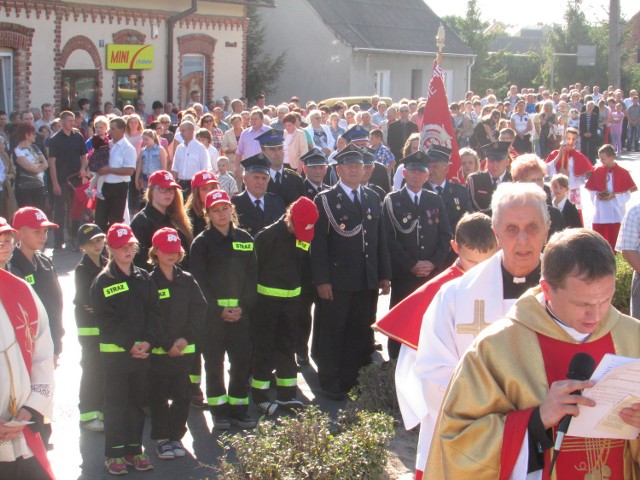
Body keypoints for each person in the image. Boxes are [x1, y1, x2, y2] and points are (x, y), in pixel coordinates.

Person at [427, 229, 640, 478]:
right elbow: (457, 441)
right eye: (583, 304)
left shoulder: (632, 336)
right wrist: (537, 420)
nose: (595, 316)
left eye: (606, 300)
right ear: (547, 290)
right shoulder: (497, 347)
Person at [415, 182, 550, 470]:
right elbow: (433, 372)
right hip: (478, 449)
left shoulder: (570, 296)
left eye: (533, 228)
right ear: (496, 233)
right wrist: (509, 422)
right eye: (512, 229)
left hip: (553, 446)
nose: (523, 240)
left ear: (547, 230)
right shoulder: (454, 296)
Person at [373, 212, 497, 480]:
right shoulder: (440, 290)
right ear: (455, 247)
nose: (478, 271)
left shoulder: (504, 283)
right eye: (471, 261)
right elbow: (412, 360)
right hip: (446, 395)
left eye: (485, 263)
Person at [311, 144, 391, 400]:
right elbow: (319, 245)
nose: (355, 170)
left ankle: (353, 378)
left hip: (365, 278)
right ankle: (330, 381)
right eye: (349, 166)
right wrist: (322, 280)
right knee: (333, 332)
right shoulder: (325, 199)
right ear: (338, 170)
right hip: (338, 280)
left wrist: (384, 274)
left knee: (359, 331)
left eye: (359, 166)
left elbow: (379, 238)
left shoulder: (371, 197)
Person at [90, 223, 162, 475]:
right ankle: (114, 453)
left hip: (142, 354)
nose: (127, 250)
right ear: (110, 249)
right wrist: (130, 344)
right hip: (116, 356)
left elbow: (155, 312)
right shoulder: (103, 282)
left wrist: (148, 342)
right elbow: (106, 320)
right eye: (121, 247)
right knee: (116, 404)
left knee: (136, 403)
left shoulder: (144, 277)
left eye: (130, 245)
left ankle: (135, 450)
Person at [190, 189, 258, 429]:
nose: (221, 214)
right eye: (215, 210)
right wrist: (218, 310)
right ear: (208, 214)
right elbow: (198, 283)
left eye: (225, 209)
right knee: (214, 364)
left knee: (240, 363)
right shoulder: (201, 244)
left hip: (241, 316)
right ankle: (219, 412)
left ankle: (239, 410)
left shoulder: (245, 240)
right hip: (212, 319)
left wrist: (243, 307)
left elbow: (252, 278)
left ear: (232, 210)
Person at [382, 150, 452, 359]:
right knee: (400, 319)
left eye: (421, 172)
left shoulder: (434, 200)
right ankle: (395, 362)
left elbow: (445, 234)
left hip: (430, 274)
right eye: (412, 171)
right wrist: (411, 264)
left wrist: (433, 263)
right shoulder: (393, 200)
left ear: (427, 175)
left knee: (428, 320)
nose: (416, 176)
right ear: (404, 173)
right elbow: (389, 239)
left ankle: (425, 359)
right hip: (405, 274)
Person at [251, 196, 319, 414]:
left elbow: (304, 266)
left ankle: (286, 395)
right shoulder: (267, 237)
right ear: (289, 216)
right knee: (264, 349)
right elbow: (252, 271)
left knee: (287, 347)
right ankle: (260, 397)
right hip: (266, 304)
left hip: (292, 303)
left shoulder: (303, 234)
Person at [0, 217, 56, 480]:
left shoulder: (21, 290)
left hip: (21, 427)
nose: (3, 244)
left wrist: (31, 408)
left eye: (6, 238)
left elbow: (42, 354)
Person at [147, 227, 205, 460]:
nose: (172, 255)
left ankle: (176, 436)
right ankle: (162, 439)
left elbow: (199, 310)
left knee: (183, 395)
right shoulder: (148, 281)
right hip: (160, 354)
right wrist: (166, 343)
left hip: (183, 353)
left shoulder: (187, 280)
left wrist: (184, 339)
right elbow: (149, 317)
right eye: (167, 250)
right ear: (156, 252)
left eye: (175, 250)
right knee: (159, 397)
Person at [73, 224, 107, 433]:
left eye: (99, 240)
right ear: (82, 247)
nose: (97, 245)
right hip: (89, 329)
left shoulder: (106, 263)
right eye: (91, 242)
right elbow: (87, 301)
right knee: (92, 370)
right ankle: (88, 414)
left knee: (103, 371)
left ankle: (101, 413)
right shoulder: (82, 269)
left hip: (104, 327)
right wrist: (105, 306)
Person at [130, 170, 193, 271]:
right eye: (163, 189)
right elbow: (139, 262)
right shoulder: (140, 222)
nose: (168, 193)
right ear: (151, 191)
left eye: (171, 189)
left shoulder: (177, 218)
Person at [585, 143, 637, 251]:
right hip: (600, 213)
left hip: (616, 213)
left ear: (611, 157)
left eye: (603, 159)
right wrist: (597, 194)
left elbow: (627, 193)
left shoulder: (623, 172)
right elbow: (592, 190)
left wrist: (614, 196)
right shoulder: (598, 171)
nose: (601, 161)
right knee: (599, 244)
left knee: (615, 243)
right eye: (600, 158)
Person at [95, 117, 137, 233]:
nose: (110, 132)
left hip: (119, 187)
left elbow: (130, 170)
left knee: (115, 220)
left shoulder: (128, 148)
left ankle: (113, 246)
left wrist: (109, 170)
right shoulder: (106, 144)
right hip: (104, 186)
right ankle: (101, 247)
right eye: (110, 129)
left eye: (113, 129)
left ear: (122, 130)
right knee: (99, 218)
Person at [231, 154, 285, 236]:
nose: (260, 182)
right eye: (256, 177)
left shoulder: (276, 202)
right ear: (245, 179)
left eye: (264, 178)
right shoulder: (234, 204)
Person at [545, 127, 594, 216]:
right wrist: (559, 156)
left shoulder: (579, 156)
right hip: (557, 190)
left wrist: (569, 175)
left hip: (572, 191)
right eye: (568, 138)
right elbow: (546, 170)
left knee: (572, 216)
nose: (571, 142)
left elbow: (583, 178)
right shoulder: (555, 153)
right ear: (564, 138)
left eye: (574, 139)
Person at [257, 128, 304, 207]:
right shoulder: (257, 180)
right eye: (272, 149)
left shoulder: (295, 179)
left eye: (280, 148)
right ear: (262, 151)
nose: (277, 153)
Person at [467, 141, 513, 214]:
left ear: (507, 162)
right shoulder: (474, 180)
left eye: (499, 161)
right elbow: (471, 208)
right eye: (491, 161)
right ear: (487, 161)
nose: (495, 166)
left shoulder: (514, 180)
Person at [12, 123, 49, 211]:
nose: (35, 136)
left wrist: (36, 167)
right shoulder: (17, 150)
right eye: (33, 134)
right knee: (27, 214)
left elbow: (46, 164)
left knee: (39, 213)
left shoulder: (35, 147)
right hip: (24, 189)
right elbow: (30, 168)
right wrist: (38, 166)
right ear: (27, 135)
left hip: (39, 187)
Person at [170, 121, 210, 195]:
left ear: (191, 131)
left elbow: (204, 169)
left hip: (195, 184)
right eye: (180, 131)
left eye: (183, 131)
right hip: (181, 183)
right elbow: (175, 168)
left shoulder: (200, 148)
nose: (181, 133)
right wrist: (174, 183)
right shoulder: (179, 148)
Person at [185, 170, 219, 239]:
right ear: (196, 192)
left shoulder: (224, 211)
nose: (210, 192)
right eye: (204, 189)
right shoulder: (188, 217)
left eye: (213, 187)